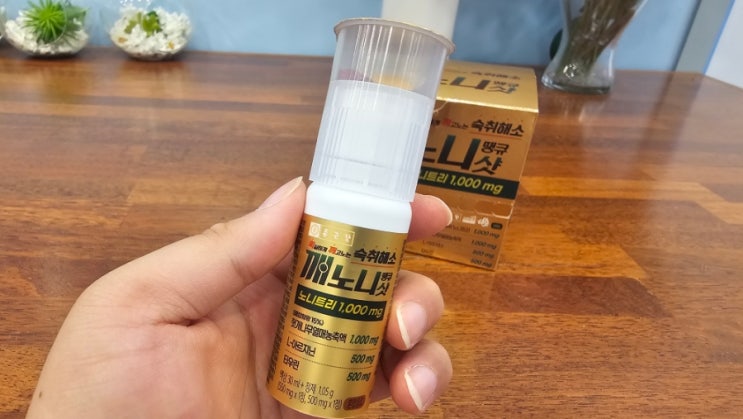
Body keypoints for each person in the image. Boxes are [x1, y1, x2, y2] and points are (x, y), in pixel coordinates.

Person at [26, 177, 454, 418]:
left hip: (311, 382)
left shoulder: (385, 212)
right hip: (276, 378)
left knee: (394, 313)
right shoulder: (328, 199)